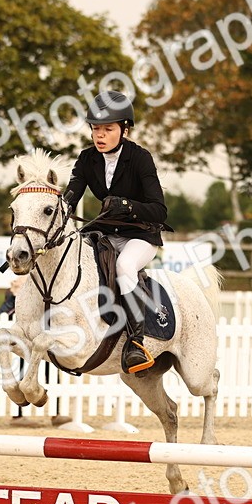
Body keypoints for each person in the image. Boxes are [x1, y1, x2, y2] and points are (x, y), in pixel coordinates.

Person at [63, 90, 172, 374]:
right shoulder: (87, 159)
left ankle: (136, 343)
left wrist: (126, 205)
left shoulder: (140, 158)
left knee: (124, 266)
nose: (99, 135)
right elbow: (70, 198)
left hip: (141, 235)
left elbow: (159, 211)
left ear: (123, 130)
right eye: (95, 129)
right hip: (106, 235)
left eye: (107, 129)